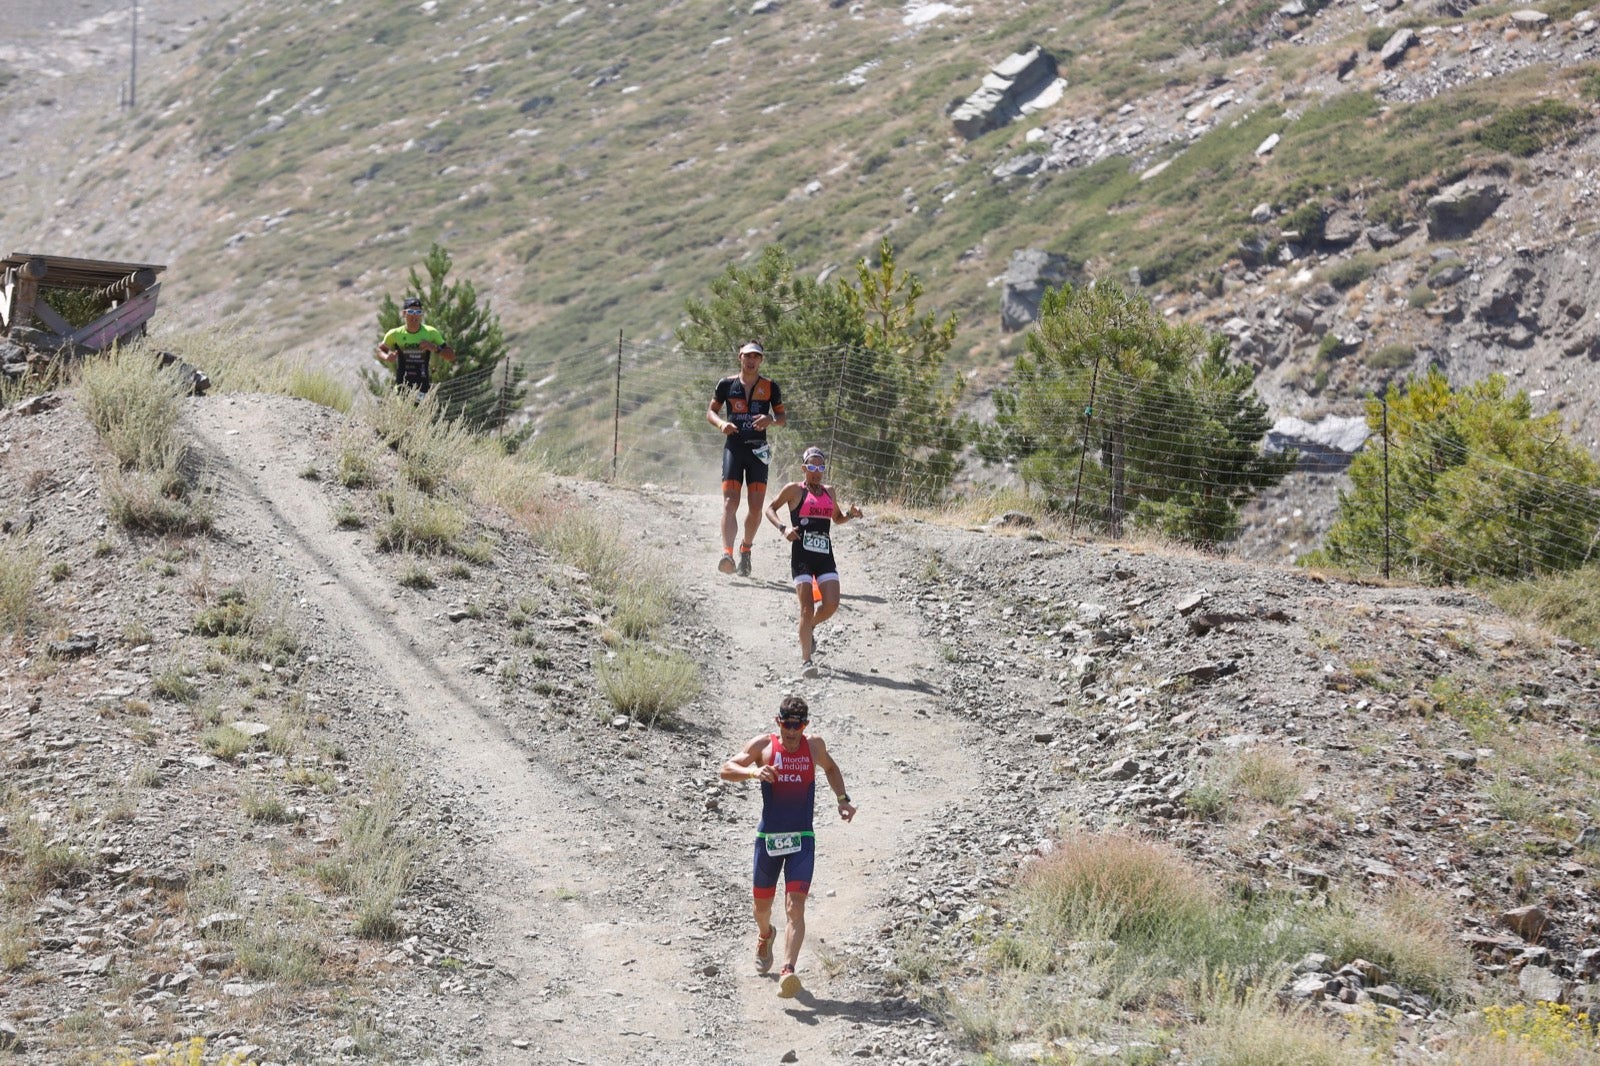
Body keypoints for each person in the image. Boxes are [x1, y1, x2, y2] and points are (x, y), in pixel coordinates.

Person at [719, 696, 855, 998]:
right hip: (769, 838)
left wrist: (842, 800)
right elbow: (726, 769)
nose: (792, 733)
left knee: (795, 906)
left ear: (805, 725)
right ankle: (765, 934)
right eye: (787, 726)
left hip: (802, 838)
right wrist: (753, 772)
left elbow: (831, 769)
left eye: (798, 727)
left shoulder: (814, 746)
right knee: (761, 908)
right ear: (778, 722)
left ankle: (788, 970)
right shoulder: (763, 746)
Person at [763, 446, 862, 678]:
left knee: (832, 604)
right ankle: (806, 661)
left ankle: (811, 626)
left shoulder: (829, 492)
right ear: (804, 468)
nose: (817, 471)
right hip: (802, 555)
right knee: (806, 608)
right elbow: (770, 509)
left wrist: (851, 514)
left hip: (825, 554)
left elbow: (837, 518)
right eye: (812, 466)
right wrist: (783, 528)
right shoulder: (794, 490)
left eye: (821, 467)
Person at [706, 341, 785, 577]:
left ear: (761, 360)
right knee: (730, 503)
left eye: (756, 357)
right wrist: (722, 424)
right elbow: (711, 411)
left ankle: (746, 549)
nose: (751, 361)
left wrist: (770, 420)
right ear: (739, 357)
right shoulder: (726, 384)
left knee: (756, 506)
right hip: (734, 448)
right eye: (747, 356)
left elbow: (782, 418)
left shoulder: (770, 386)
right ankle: (727, 554)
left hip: (758, 450)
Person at [374, 296, 456, 394]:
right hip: (402, 385)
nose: (414, 315)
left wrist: (434, 348)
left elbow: (451, 356)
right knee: (402, 404)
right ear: (404, 314)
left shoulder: (431, 332)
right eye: (411, 312)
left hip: (423, 385)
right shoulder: (395, 334)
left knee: (422, 404)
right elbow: (379, 350)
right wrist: (387, 357)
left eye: (418, 312)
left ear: (421, 314)